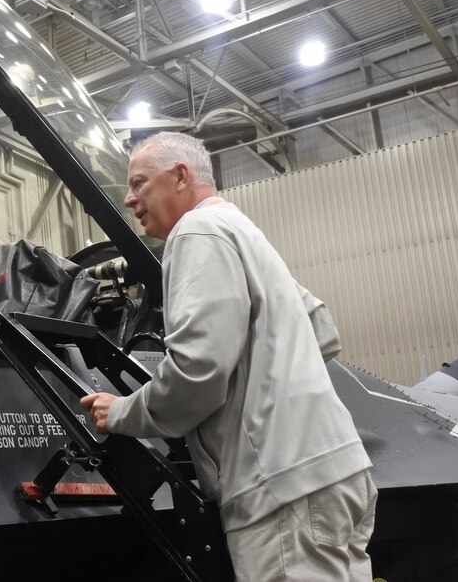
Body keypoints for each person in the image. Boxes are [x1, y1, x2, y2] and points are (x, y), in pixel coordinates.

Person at [80, 132, 376, 581]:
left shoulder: (195, 233)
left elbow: (196, 369)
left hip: (281, 489)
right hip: (335, 475)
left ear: (180, 176)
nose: (129, 198)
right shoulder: (240, 230)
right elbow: (322, 331)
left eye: (140, 183)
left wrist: (121, 412)